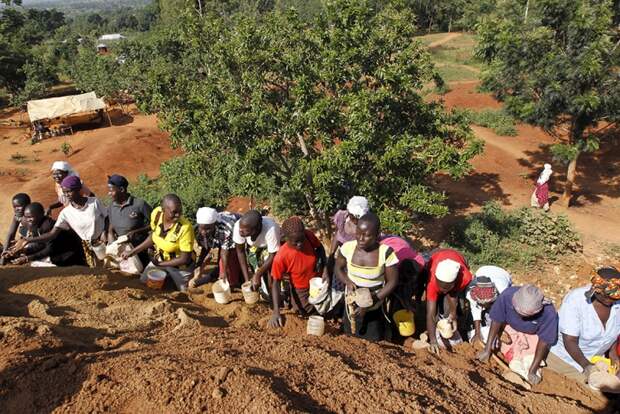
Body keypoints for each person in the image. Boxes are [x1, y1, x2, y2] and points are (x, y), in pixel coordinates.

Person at [547, 266, 620, 388]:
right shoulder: (576, 301)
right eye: (608, 296)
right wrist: (587, 366)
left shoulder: (616, 303)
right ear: (596, 290)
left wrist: (615, 359)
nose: (612, 300)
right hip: (566, 360)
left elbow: (612, 336)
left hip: (596, 361)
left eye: (615, 298)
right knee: (598, 396)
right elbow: (570, 341)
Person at [477, 284, 559, 385]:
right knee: (512, 359)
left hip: (532, 336)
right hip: (509, 329)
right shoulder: (507, 295)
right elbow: (496, 320)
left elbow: (544, 342)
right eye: (518, 312)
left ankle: (527, 373)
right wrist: (487, 349)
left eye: (526, 315)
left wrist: (532, 371)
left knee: (528, 360)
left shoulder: (548, 313)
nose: (520, 316)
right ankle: (515, 366)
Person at [335, 212, 399, 341]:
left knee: (372, 343)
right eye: (358, 233)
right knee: (349, 338)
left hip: (374, 305)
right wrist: (347, 281)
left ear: (377, 235)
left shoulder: (385, 253)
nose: (360, 238)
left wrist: (371, 301)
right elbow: (338, 268)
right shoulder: (347, 248)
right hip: (351, 305)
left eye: (367, 235)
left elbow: (392, 282)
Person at [25, 176, 107, 268]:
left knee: (113, 265)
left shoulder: (94, 202)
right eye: (64, 192)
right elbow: (52, 234)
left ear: (78, 189)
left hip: (105, 241)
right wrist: (27, 240)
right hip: (87, 248)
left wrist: (105, 232)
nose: (67, 195)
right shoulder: (66, 213)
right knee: (98, 270)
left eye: (69, 191)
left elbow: (107, 217)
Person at [123, 194, 195, 292]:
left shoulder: (185, 228)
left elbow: (184, 259)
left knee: (185, 292)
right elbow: (153, 237)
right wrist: (132, 252)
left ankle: (172, 280)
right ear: (163, 210)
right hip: (160, 259)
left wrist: (160, 264)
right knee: (144, 283)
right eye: (174, 212)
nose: (178, 215)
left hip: (180, 267)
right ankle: (168, 279)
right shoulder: (157, 214)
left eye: (180, 211)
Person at [268, 216, 328, 328]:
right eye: (295, 242)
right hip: (301, 288)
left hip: (317, 282)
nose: (300, 244)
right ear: (286, 239)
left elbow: (320, 248)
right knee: (305, 312)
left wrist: (324, 267)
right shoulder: (281, 256)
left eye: (302, 240)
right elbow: (275, 282)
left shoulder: (308, 236)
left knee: (326, 306)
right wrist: (276, 312)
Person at [3, 203, 84, 266]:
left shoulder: (48, 225)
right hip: (59, 252)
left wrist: (27, 258)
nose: (28, 220)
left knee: (36, 263)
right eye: (26, 217)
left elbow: (49, 249)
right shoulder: (36, 225)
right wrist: (24, 251)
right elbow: (40, 244)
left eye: (31, 217)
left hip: (69, 255)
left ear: (41, 215)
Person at [425, 249, 473, 354]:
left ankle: (448, 323)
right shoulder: (432, 282)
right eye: (441, 287)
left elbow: (453, 294)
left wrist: (453, 315)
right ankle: (435, 331)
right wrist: (433, 341)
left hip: (458, 258)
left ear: (454, 283)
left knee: (454, 306)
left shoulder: (465, 277)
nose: (443, 291)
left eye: (446, 288)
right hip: (436, 256)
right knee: (434, 307)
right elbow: (430, 314)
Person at [189, 207, 241, 288]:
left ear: (215, 224)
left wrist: (223, 272)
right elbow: (205, 247)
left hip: (235, 233)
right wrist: (199, 265)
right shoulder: (197, 230)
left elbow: (224, 252)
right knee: (221, 266)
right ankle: (217, 275)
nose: (204, 232)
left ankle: (233, 281)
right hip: (221, 237)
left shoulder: (226, 228)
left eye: (208, 229)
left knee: (230, 264)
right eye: (201, 228)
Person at [106, 174, 152, 266]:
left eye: (111, 190)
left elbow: (156, 224)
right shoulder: (111, 206)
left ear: (122, 190)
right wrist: (111, 244)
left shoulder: (139, 204)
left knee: (144, 272)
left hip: (141, 249)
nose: (109, 193)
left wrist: (137, 231)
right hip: (124, 252)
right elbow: (111, 227)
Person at [233, 210, 281, 293]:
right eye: (240, 229)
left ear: (257, 229)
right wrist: (247, 280)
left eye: (245, 230)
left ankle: (273, 292)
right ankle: (263, 291)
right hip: (254, 246)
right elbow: (240, 252)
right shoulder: (239, 227)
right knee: (255, 266)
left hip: (269, 248)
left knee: (269, 270)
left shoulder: (271, 229)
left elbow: (273, 255)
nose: (241, 232)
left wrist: (258, 274)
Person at [466, 265, 513, 346]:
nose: (483, 307)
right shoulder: (471, 293)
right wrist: (477, 333)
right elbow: (475, 310)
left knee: (495, 314)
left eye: (488, 305)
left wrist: (497, 333)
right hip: (483, 270)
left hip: (502, 274)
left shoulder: (503, 292)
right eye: (482, 305)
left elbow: (501, 314)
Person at [328, 196, 369, 261]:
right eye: (352, 217)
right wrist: (331, 256)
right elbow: (337, 235)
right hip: (343, 257)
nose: (355, 221)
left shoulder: (369, 224)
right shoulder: (341, 217)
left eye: (358, 217)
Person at [0, 193, 31, 265]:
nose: (17, 209)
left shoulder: (33, 218)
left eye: (19, 206)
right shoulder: (17, 217)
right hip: (22, 245)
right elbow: (10, 235)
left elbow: (35, 238)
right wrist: (3, 257)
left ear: (28, 205)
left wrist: (19, 246)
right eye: (14, 207)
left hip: (34, 245)